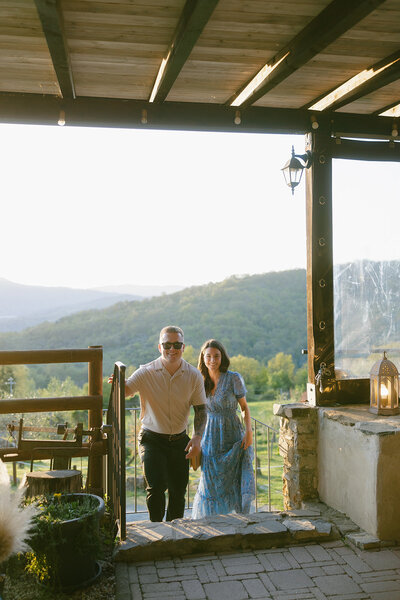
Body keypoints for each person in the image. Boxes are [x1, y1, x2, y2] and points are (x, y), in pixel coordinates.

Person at [110, 326, 207, 522]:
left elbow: (201, 410)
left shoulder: (194, 375)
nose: (172, 349)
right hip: (151, 439)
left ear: (183, 346)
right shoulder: (145, 372)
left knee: (178, 492)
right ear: (159, 347)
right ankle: (157, 532)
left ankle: (175, 534)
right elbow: (127, 390)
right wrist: (118, 383)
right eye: (167, 345)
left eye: (177, 345)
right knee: (155, 489)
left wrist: (197, 438)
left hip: (181, 440)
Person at [191, 339, 255, 518]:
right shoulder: (199, 380)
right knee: (210, 484)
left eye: (216, 356)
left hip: (233, 436)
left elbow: (244, 407)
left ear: (222, 357)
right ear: (203, 358)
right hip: (209, 437)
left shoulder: (233, 378)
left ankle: (239, 523)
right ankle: (210, 524)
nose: (212, 360)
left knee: (234, 480)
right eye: (208, 356)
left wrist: (248, 432)